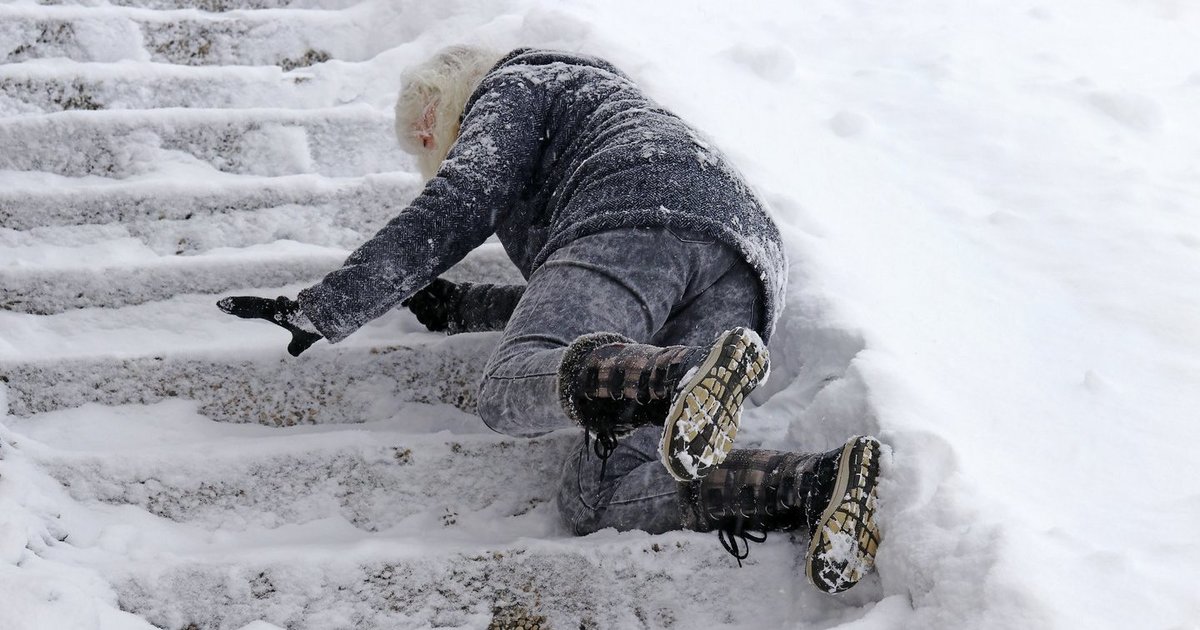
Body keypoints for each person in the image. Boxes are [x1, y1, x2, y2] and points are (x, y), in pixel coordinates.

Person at [218, 46, 881, 594]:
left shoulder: (516, 83)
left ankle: (678, 378)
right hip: (746, 264)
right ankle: (814, 481)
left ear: (431, 116)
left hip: (639, 209)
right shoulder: (591, 116)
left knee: (510, 389)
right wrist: (458, 308)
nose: (430, 158)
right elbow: (589, 306)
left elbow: (463, 197)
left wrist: (331, 304)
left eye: (424, 147)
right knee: (599, 496)